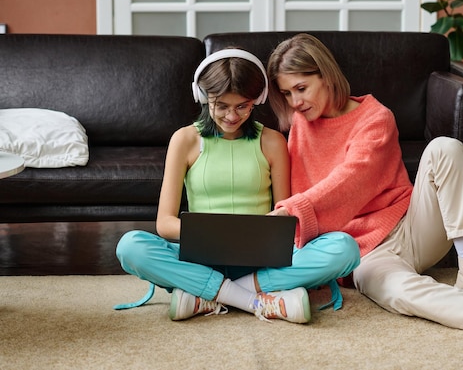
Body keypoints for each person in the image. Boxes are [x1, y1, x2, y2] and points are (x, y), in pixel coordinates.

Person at [264, 33, 463, 355]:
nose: (295, 102)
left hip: (411, 227)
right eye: (287, 94)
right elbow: (304, 188)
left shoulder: (376, 118)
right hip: (362, 254)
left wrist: (293, 210)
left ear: (327, 76)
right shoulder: (300, 125)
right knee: (401, 294)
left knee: (445, 148)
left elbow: (353, 179)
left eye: (301, 89)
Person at [115, 48, 360, 324]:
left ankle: (207, 296)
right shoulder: (184, 140)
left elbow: (285, 218)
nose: (232, 116)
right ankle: (255, 300)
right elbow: (165, 223)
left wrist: (263, 232)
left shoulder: (271, 141)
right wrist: (212, 234)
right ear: (203, 97)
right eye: (221, 106)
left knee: (345, 248)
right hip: (200, 259)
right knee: (130, 246)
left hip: (260, 261)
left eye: (242, 106)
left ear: (257, 100)